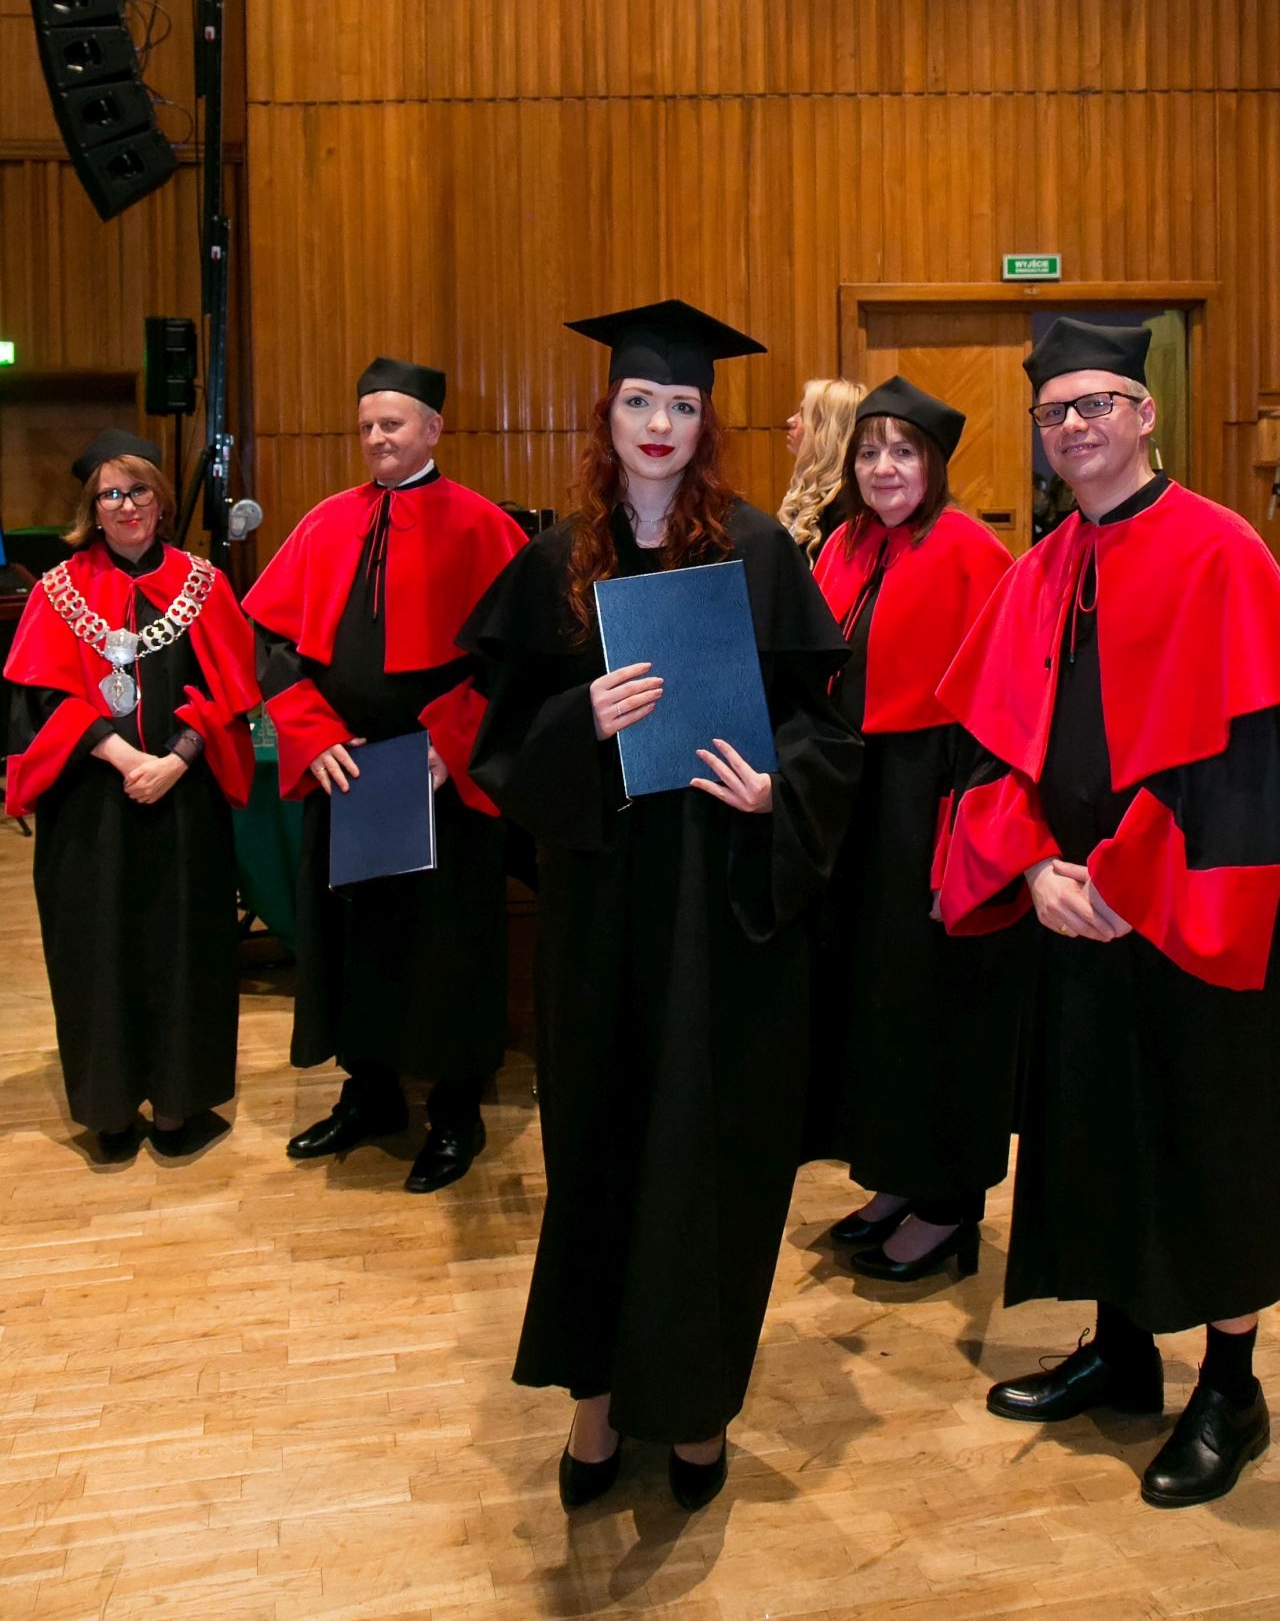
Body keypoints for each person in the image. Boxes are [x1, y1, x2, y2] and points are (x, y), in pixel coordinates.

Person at [461, 299, 861, 1513]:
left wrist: (773, 788)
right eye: (639, 400)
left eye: (680, 405)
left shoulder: (759, 553)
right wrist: (576, 722)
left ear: (703, 423)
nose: (658, 423)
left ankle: (693, 1410)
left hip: (718, 907)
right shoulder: (554, 565)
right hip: (601, 911)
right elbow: (499, 743)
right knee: (598, 1148)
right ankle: (592, 1404)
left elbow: (825, 733)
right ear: (607, 414)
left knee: (707, 1153)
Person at [935, 316, 1280, 1509]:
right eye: (1054, 411)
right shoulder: (1040, 569)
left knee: (1206, 1141)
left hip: (1185, 904)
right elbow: (989, 751)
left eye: (1095, 404)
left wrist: (1128, 883)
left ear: (1143, 414)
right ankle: (1121, 1352)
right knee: (1089, 1132)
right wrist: (1033, 867)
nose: (1074, 425)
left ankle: (1229, 1388)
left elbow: (1244, 763)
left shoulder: (1222, 552)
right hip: (1070, 902)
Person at [244, 359, 526, 1193]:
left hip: (440, 776)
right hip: (346, 771)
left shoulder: (481, 526)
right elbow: (272, 644)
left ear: (433, 429)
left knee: (448, 947)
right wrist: (310, 732)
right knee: (354, 940)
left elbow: (515, 659)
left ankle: (456, 1111)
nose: (376, 438)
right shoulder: (326, 521)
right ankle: (369, 1094)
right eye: (367, 425)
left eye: (392, 424)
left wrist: (452, 739)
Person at [804, 378, 1021, 1280]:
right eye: (868, 452)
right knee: (873, 1002)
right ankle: (892, 1175)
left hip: (931, 800)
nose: (883, 468)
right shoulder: (843, 545)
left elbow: (1002, 710)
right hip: (855, 800)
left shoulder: (973, 552)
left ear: (934, 464)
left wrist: (967, 837)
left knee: (933, 1004)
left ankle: (947, 1205)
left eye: (903, 451)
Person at [4, 428, 258, 1160]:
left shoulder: (203, 584)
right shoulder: (57, 592)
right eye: (110, 494)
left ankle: (178, 1108)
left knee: (186, 950)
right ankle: (109, 1111)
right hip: (90, 807)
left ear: (160, 497)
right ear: (92, 508)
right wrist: (120, 756)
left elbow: (230, 690)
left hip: (184, 799)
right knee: (97, 953)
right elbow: (40, 701)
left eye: (138, 489)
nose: (126, 505)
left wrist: (175, 759)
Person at [778, 377, 866, 564]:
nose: (790, 420)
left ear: (827, 429)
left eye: (803, 414)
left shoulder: (849, 502)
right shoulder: (813, 490)